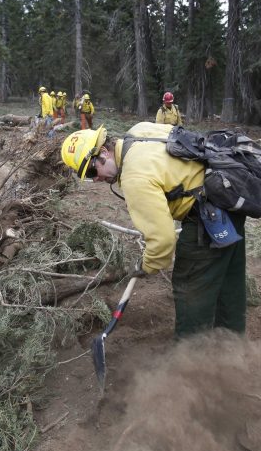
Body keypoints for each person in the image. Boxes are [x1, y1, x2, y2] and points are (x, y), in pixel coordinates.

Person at [60, 122, 247, 337]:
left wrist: (147, 266)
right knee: (228, 280)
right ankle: (231, 343)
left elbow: (163, 241)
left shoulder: (133, 177)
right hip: (229, 201)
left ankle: (193, 361)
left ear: (103, 151)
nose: (95, 179)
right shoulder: (140, 130)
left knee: (190, 286)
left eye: (92, 170)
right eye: (86, 176)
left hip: (207, 219)